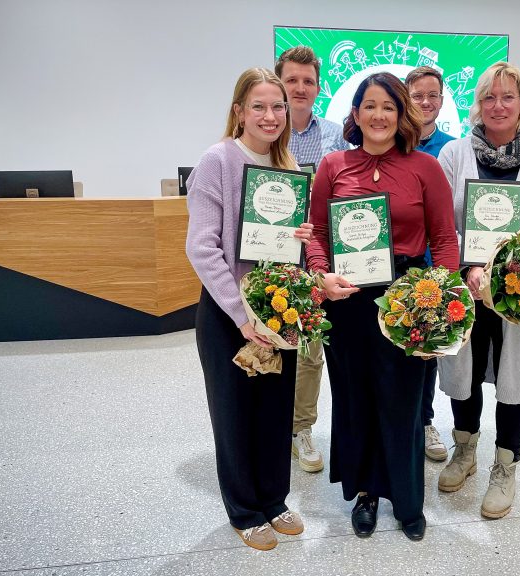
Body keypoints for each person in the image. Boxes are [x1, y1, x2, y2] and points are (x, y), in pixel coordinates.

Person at [306, 72, 459, 541]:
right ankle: (367, 493)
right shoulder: (333, 166)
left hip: (408, 299)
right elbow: (316, 234)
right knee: (356, 399)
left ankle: (408, 497)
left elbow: (443, 239)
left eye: (388, 107)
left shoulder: (424, 168)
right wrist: (321, 274)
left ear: (402, 114)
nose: (378, 115)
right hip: (348, 300)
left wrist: (445, 307)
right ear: (355, 115)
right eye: (369, 106)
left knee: (405, 401)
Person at [185, 68, 313, 551]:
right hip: (229, 314)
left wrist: (301, 243)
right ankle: (244, 510)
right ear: (239, 110)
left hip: (279, 312)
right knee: (236, 413)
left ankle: (274, 500)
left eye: (278, 107)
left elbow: (287, 252)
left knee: (275, 411)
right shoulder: (216, 162)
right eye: (258, 106)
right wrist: (242, 315)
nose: (270, 115)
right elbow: (203, 248)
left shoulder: (289, 169)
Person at [436, 61, 520, 519]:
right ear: (479, 104)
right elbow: (440, 225)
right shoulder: (455, 154)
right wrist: (467, 264)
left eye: (507, 97)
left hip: (518, 289)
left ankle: (506, 465)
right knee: (463, 373)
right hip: (465, 285)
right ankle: (465, 450)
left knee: (515, 379)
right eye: (489, 97)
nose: (498, 105)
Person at [275, 46, 349, 474]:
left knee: (310, 349)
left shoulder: (336, 135)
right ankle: (271, 425)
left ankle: (301, 429)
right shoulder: (267, 134)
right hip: (270, 259)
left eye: (308, 81)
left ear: (318, 87)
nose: (300, 88)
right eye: (292, 80)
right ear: (279, 82)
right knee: (266, 342)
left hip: (319, 258)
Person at [404, 66, 456, 463]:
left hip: (433, 269)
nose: (425, 102)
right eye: (417, 95)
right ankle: (397, 424)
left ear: (442, 99)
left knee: (427, 350)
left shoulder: (452, 149)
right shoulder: (394, 144)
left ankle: (423, 422)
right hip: (392, 268)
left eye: (432, 95)